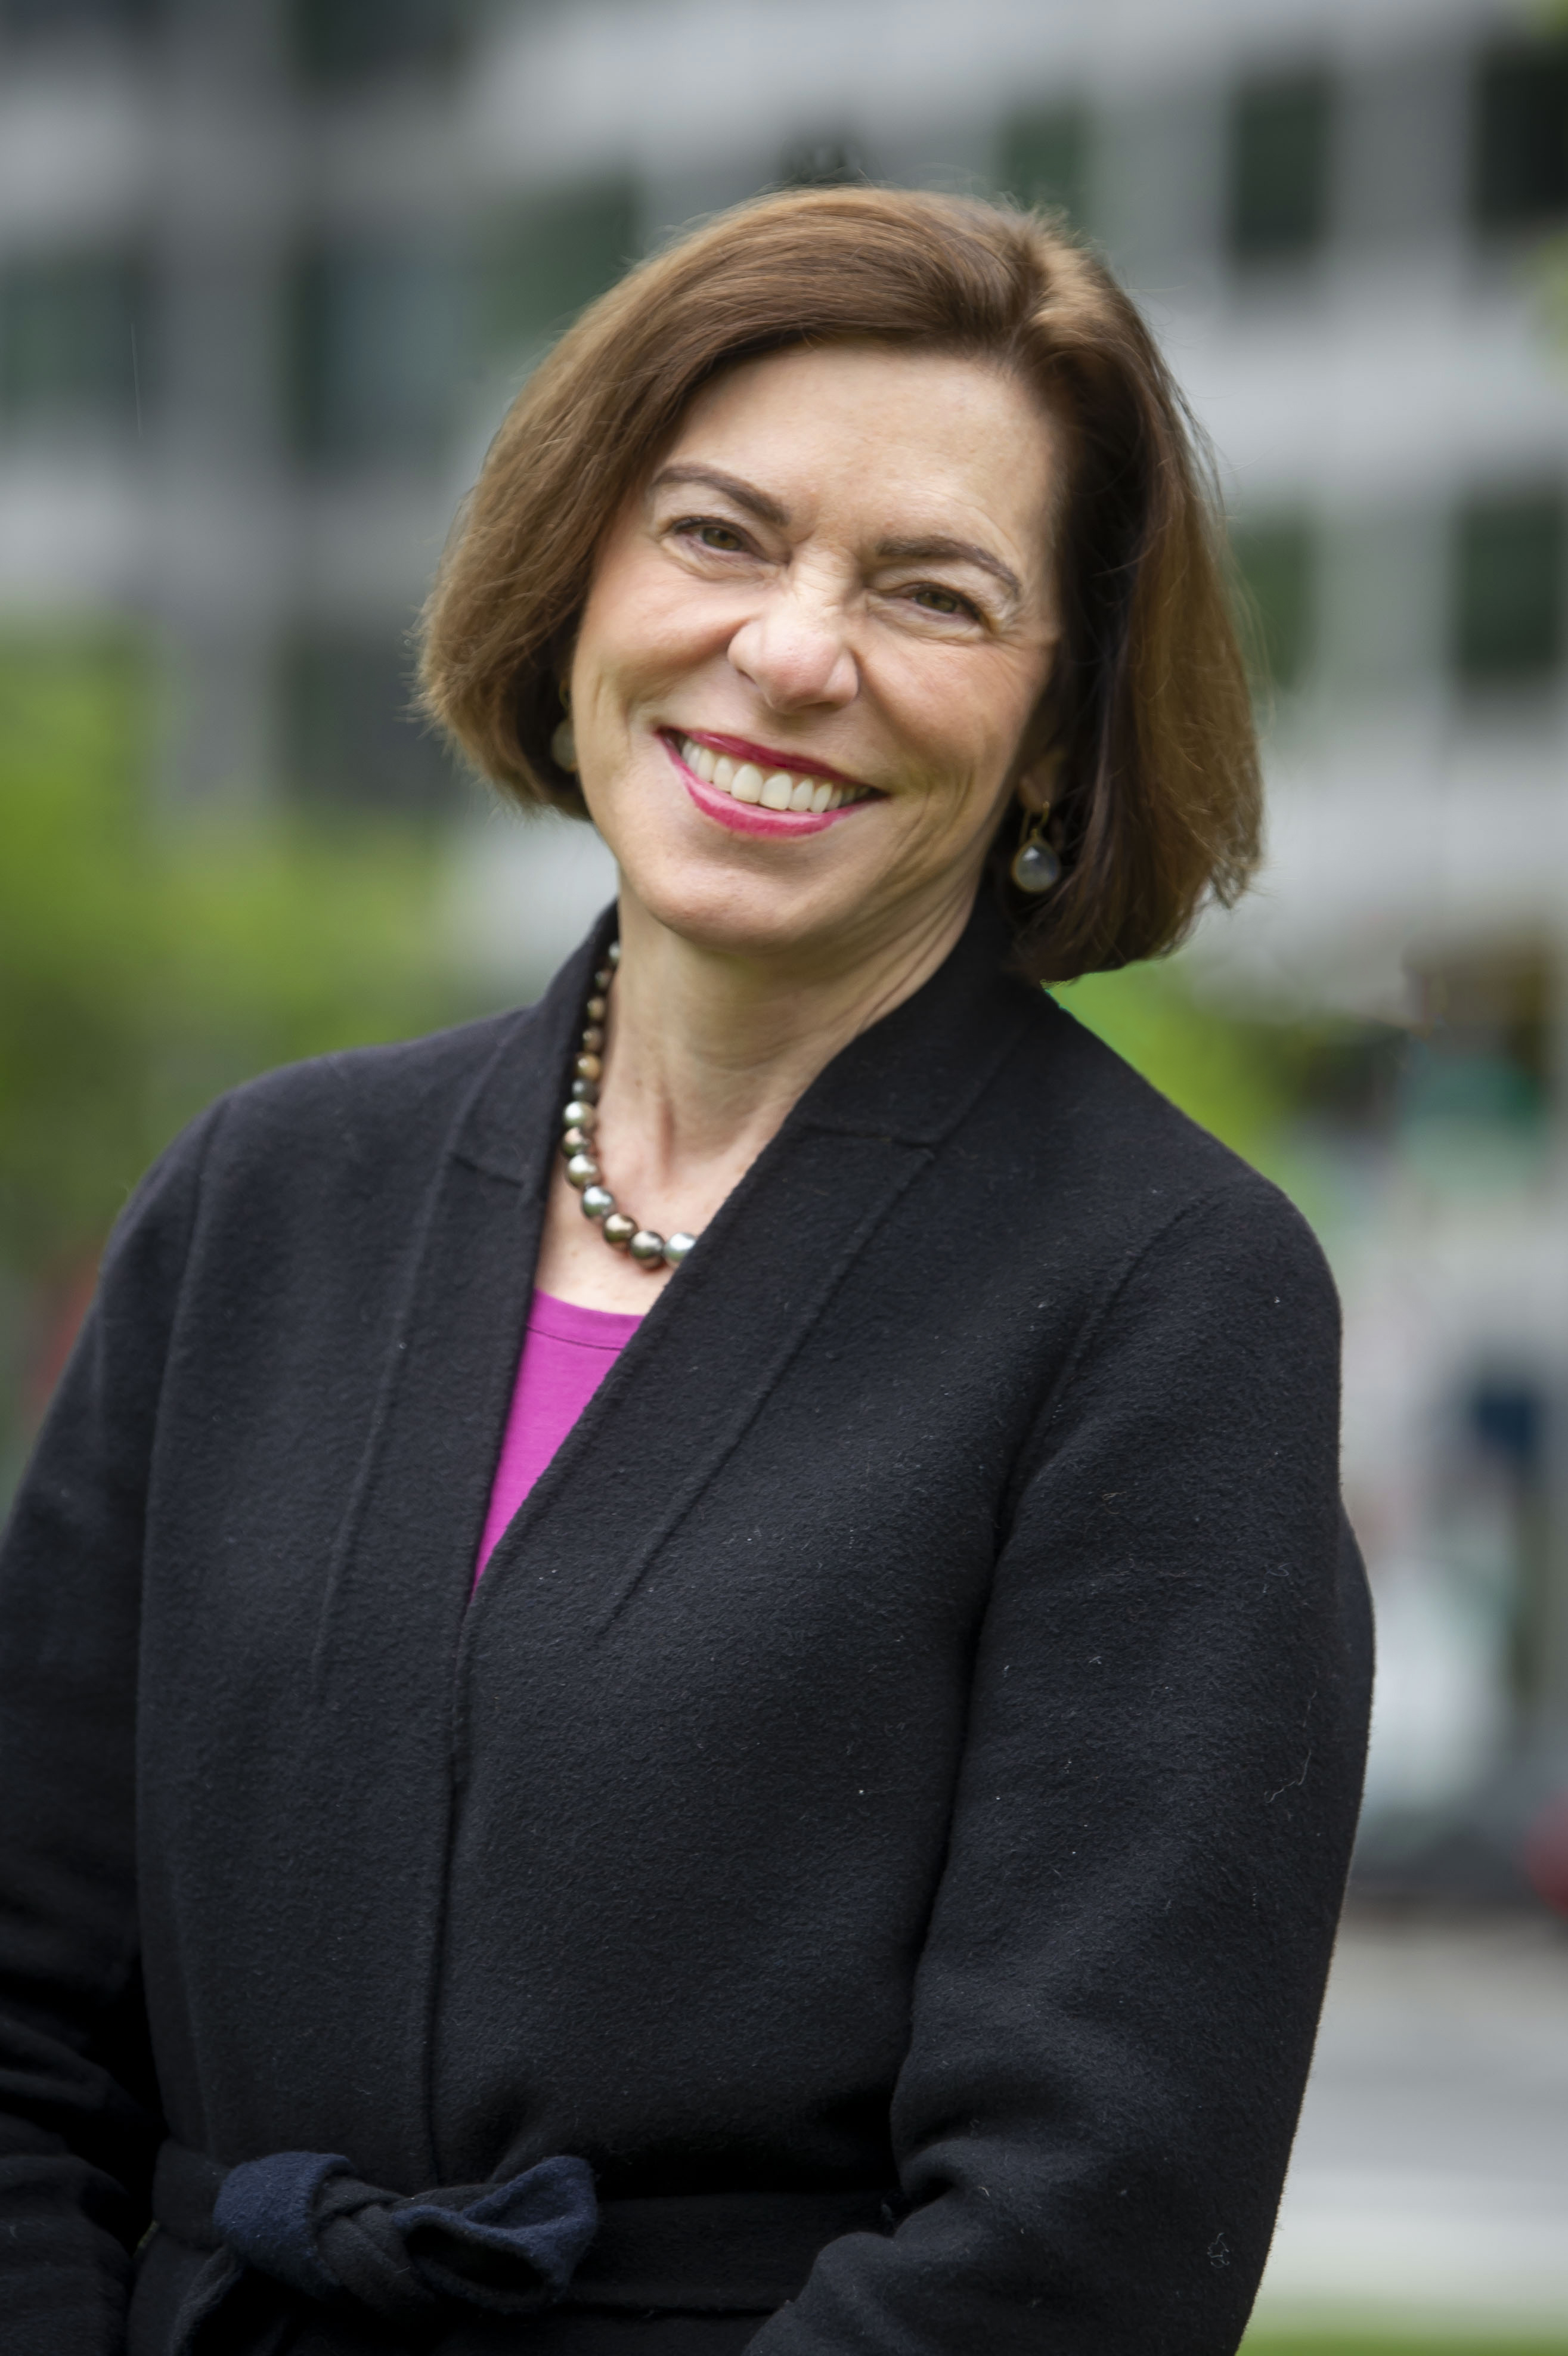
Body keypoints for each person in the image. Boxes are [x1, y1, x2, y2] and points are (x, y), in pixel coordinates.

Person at [0, 188, 1371, 2356]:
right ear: (578, 579)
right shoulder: (262, 1199)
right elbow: (20, 2023)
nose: (797, 652)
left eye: (933, 592)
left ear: (1060, 726)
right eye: (720, 536)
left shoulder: (1166, 1294)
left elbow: (1085, 2231)